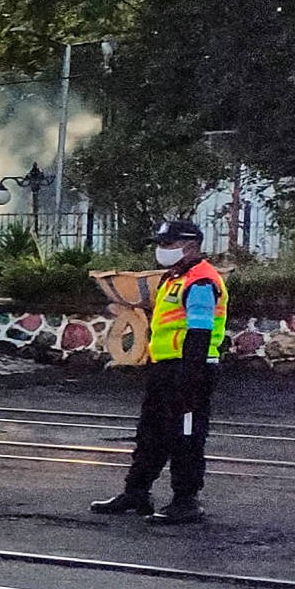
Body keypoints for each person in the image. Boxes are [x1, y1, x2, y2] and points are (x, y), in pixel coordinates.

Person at [93, 217, 227, 526]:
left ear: (190, 246)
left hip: (191, 368)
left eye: (168, 244)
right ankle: (136, 492)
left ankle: (186, 501)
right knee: (150, 433)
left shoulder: (202, 281)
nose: (161, 249)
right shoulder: (175, 277)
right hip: (166, 367)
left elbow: (200, 332)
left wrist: (189, 379)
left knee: (186, 436)